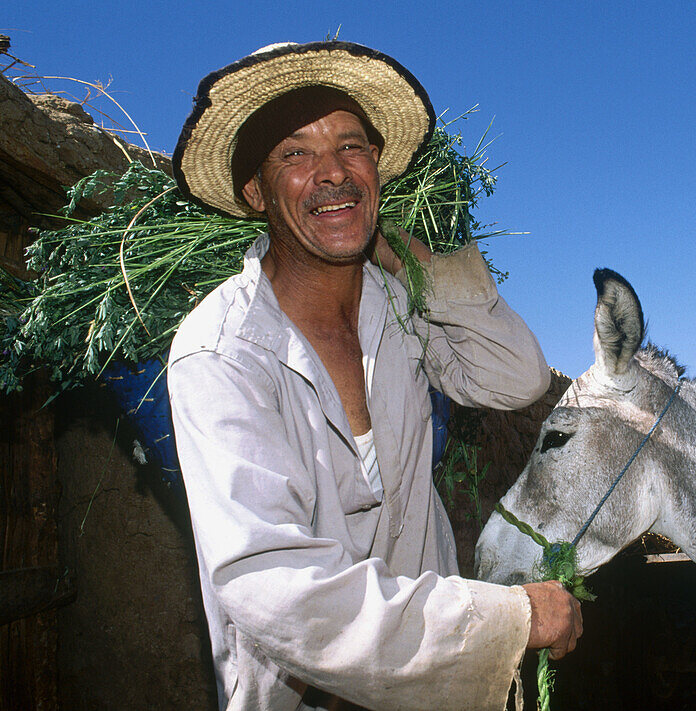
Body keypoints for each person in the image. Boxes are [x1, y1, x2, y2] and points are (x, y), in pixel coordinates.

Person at [168, 41, 581, 711]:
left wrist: (411, 261)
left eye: (351, 148)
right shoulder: (222, 352)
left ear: (378, 173)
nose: (332, 174)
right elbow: (273, 585)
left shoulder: (398, 307)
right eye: (295, 155)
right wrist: (509, 617)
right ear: (255, 192)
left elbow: (517, 375)